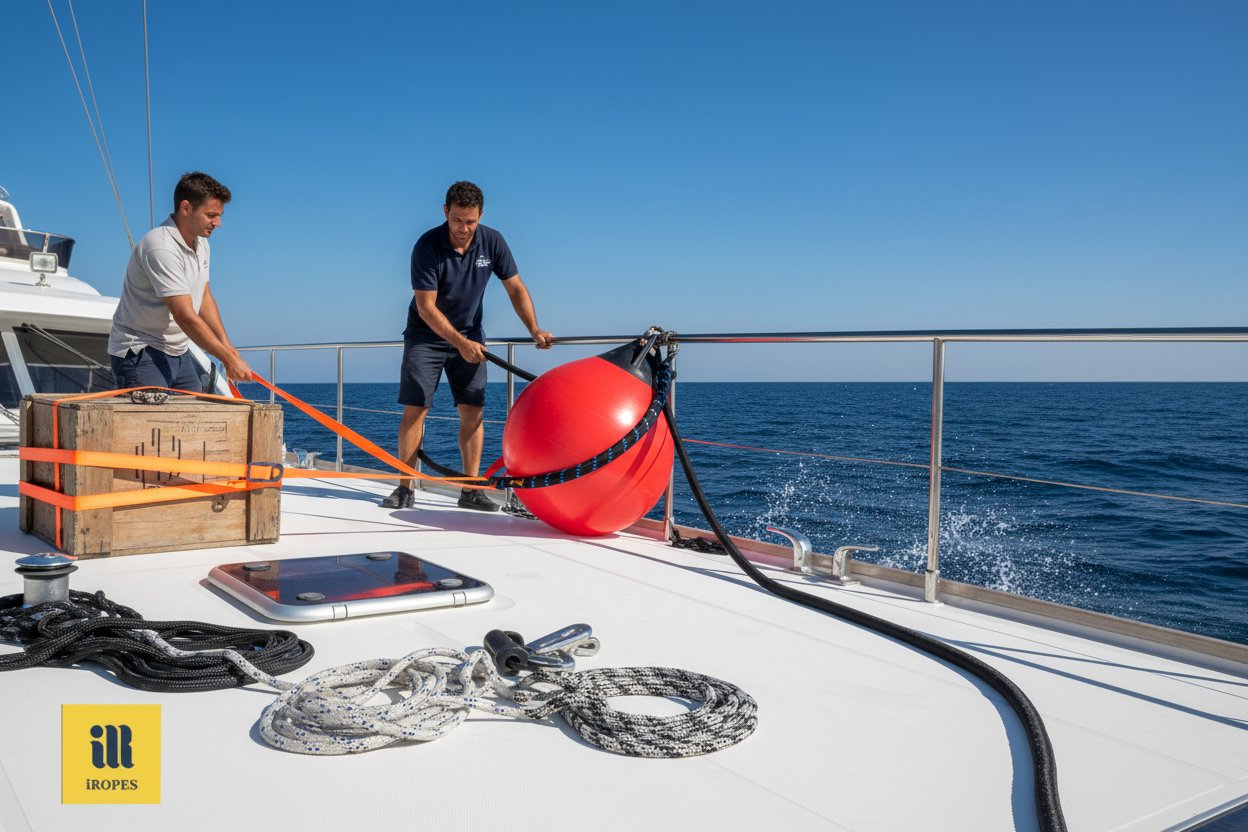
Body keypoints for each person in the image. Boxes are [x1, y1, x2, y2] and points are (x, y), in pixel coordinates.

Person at [384, 181, 553, 511]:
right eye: (457, 220)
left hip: (471, 337)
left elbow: (515, 287)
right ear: (445, 212)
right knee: (416, 409)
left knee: (473, 410)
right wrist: (459, 343)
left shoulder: (493, 241)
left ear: (481, 216)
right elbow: (426, 307)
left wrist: (533, 328)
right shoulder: (426, 246)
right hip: (426, 337)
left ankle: (470, 490)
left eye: (470, 221)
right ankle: (405, 488)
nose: (463, 228)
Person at [108, 171, 251, 392]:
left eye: (219, 215)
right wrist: (228, 360)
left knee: (191, 420)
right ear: (186, 208)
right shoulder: (160, 246)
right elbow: (184, 315)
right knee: (155, 425)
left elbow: (203, 296)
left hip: (179, 349)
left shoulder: (202, 244)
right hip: (141, 350)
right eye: (212, 215)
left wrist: (226, 345)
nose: (219, 223)